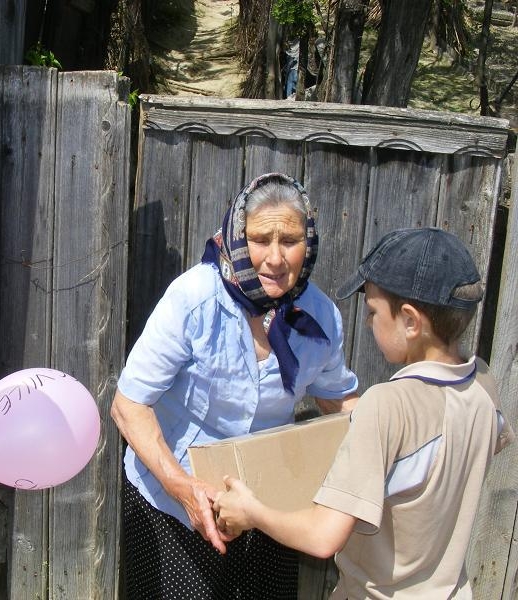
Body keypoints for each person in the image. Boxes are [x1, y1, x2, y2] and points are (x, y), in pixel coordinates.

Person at [214, 227, 515, 599]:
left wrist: (251, 512)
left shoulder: (387, 404)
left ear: (410, 321)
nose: (370, 322)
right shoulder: (482, 381)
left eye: (373, 312)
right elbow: (475, 449)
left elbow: (324, 538)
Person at [111, 172, 359, 599]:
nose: (276, 258)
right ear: (239, 239)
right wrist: (182, 488)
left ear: (309, 242)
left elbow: (338, 400)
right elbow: (128, 405)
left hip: (266, 509)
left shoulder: (319, 316)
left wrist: (396, 436)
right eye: (262, 239)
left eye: (291, 240)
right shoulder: (194, 300)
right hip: (174, 507)